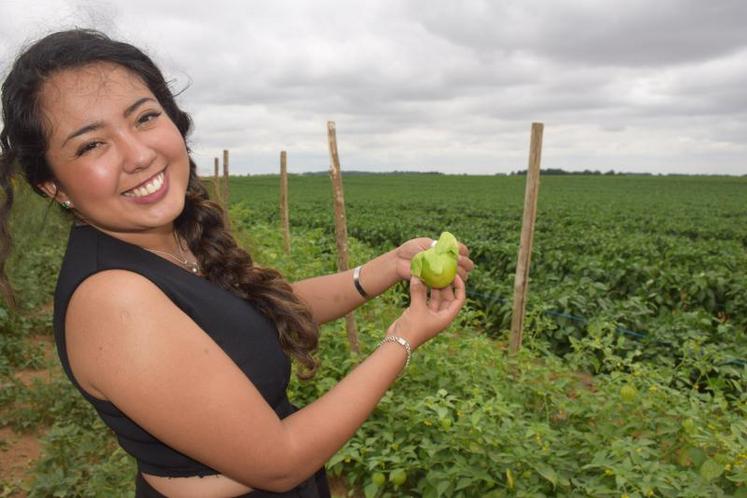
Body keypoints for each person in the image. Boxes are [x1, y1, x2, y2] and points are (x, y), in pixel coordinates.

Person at [0, 29, 473, 497]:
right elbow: (281, 462)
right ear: (53, 185)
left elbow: (248, 315)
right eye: (91, 145)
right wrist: (406, 335)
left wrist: (385, 267)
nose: (139, 155)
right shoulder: (114, 300)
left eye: (144, 118)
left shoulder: (166, 239)